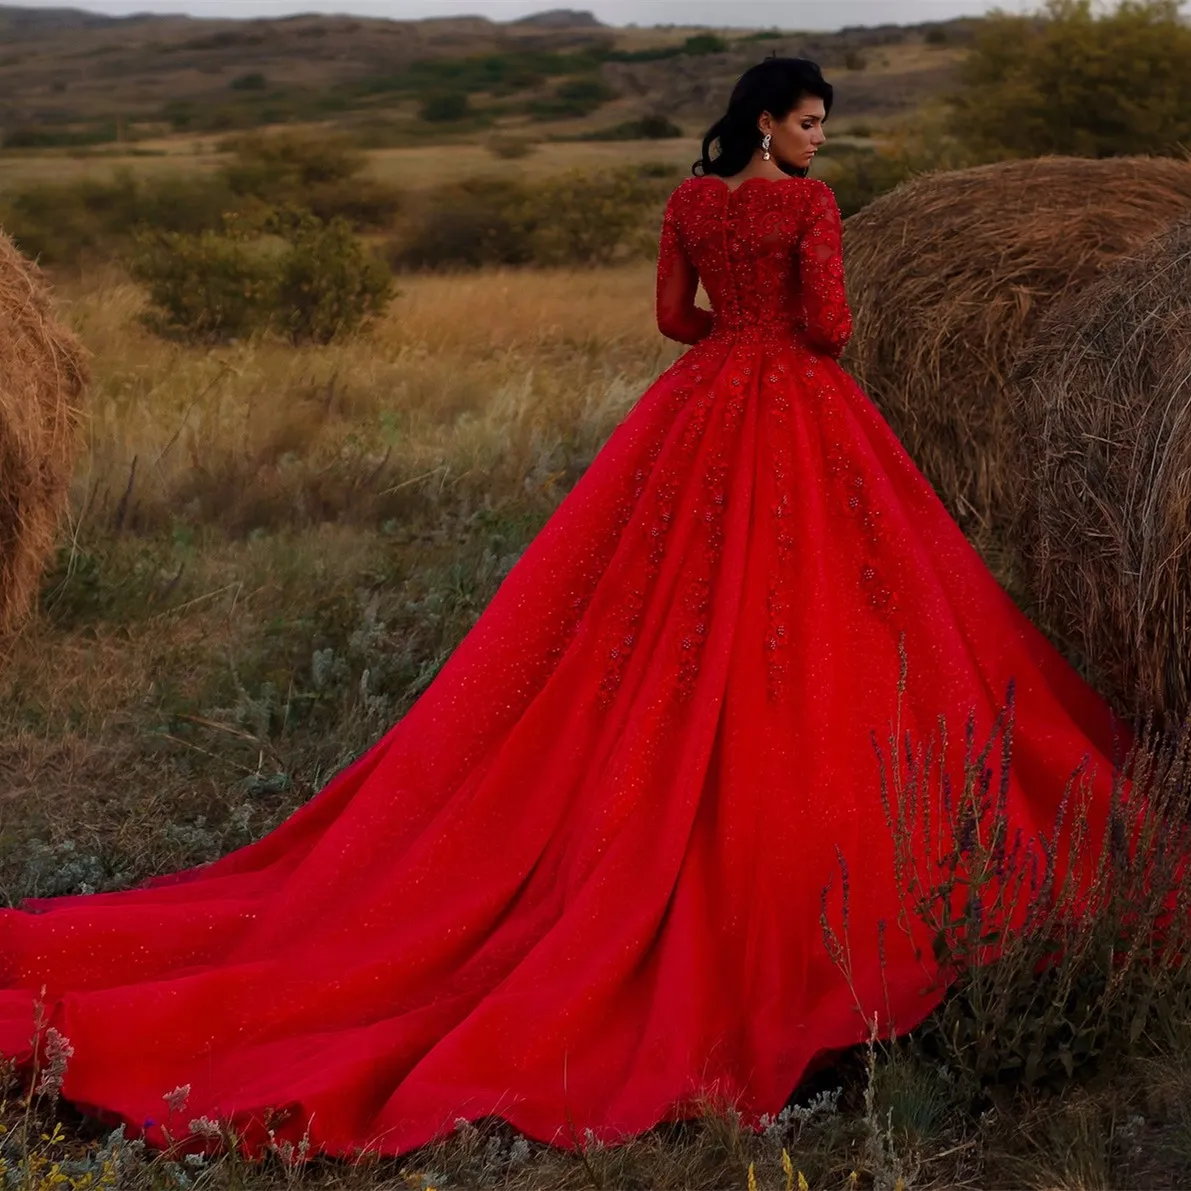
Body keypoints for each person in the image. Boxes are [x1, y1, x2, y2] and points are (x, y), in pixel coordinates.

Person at [0, 57, 1129, 1162]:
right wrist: (787, 333)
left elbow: (671, 321)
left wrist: (730, 338)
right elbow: (831, 326)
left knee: (647, 607)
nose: (819, 139)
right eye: (811, 121)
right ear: (771, 124)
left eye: (822, 126)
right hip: (794, 406)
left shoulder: (691, 200)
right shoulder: (810, 208)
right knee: (846, 609)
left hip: (701, 408)